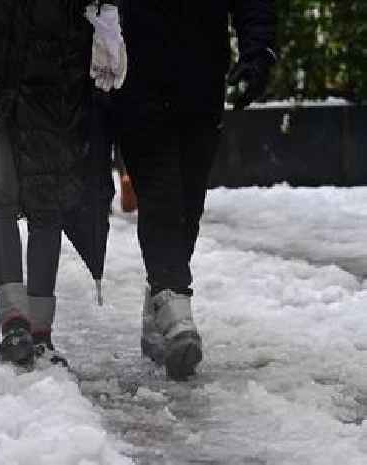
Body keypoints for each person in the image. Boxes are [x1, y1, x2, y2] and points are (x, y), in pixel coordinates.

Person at [0, 1, 126, 368]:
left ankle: (41, 333)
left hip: (55, 93)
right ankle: (14, 324)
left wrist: (104, 25)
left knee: (46, 205)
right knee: (1, 194)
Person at [115, 1, 277, 379]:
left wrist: (259, 52)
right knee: (162, 195)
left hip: (200, 81)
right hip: (137, 80)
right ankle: (173, 301)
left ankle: (160, 302)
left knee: (189, 203)